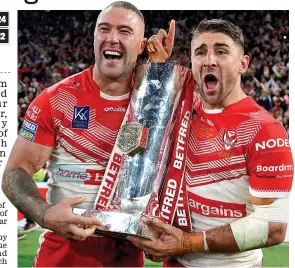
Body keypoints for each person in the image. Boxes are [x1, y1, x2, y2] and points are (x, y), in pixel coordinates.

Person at [2, 2, 174, 267]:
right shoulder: (56, 99)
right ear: (94, 38)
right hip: (61, 255)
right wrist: (45, 214)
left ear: (141, 46)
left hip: (128, 255)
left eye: (124, 31)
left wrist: (161, 73)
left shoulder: (154, 105)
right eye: (103, 29)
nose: (112, 38)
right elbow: (15, 171)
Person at [127, 19, 293, 267]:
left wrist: (187, 243)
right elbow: (138, 95)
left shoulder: (264, 130)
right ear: (192, 62)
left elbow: (272, 228)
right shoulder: (181, 108)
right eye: (200, 52)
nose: (209, 60)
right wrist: (157, 63)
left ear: (243, 64)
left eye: (222, 51)